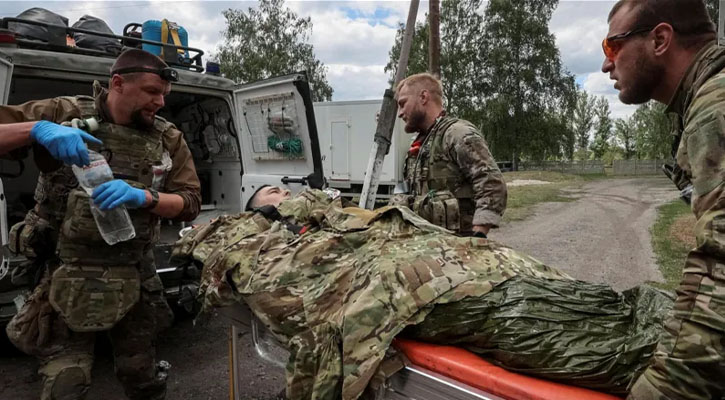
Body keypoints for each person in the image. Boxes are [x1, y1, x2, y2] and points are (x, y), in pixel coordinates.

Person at [175, 187, 672, 400]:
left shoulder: (340, 212)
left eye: (284, 191)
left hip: (462, 259)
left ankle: (677, 327)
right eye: (273, 197)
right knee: (551, 325)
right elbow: (256, 267)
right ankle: (676, 351)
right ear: (261, 212)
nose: (283, 195)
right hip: (426, 288)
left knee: (575, 292)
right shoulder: (264, 237)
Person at [1, 48, 201, 400]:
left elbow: (190, 203)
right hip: (66, 271)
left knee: (141, 374)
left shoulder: (167, 138)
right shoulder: (65, 113)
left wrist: (146, 198)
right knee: (67, 382)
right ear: (118, 83)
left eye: (164, 96)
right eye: (152, 92)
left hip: (132, 270)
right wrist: (37, 129)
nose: (160, 102)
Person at [601, 1, 725, 399]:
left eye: (612, 47)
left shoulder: (715, 107)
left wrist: (662, 387)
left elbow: (721, 269)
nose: (607, 66)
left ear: (660, 39)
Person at [392, 73, 507, 237]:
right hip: (429, 247)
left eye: (403, 104)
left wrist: (478, 236)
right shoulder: (421, 143)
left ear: (423, 97)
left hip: (457, 249)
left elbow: (492, 184)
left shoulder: (457, 134)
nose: (400, 113)